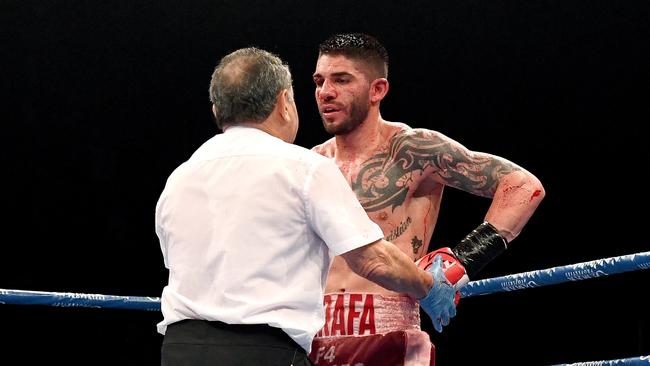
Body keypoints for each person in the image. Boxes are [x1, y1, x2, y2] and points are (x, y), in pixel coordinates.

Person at [155, 47, 457, 366]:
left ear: (217, 109)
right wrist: (429, 286)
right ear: (284, 102)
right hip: (263, 352)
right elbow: (372, 260)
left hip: (179, 350)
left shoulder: (179, 178)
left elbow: (179, 263)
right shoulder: (304, 168)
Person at [308, 33, 546, 365]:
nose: (325, 92)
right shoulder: (311, 164)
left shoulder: (413, 150)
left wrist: (462, 259)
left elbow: (522, 185)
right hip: (311, 334)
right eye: (319, 81)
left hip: (388, 332)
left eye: (341, 80)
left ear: (377, 90)